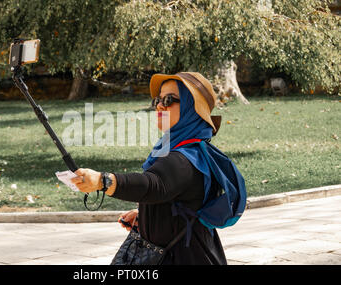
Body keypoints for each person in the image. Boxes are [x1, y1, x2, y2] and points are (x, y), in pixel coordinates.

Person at [71, 72, 232, 265]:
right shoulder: (186, 149)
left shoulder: (186, 158)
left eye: (169, 99)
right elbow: (179, 199)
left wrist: (102, 181)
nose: (159, 105)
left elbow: (154, 185)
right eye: (158, 99)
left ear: (192, 108)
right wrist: (147, 217)